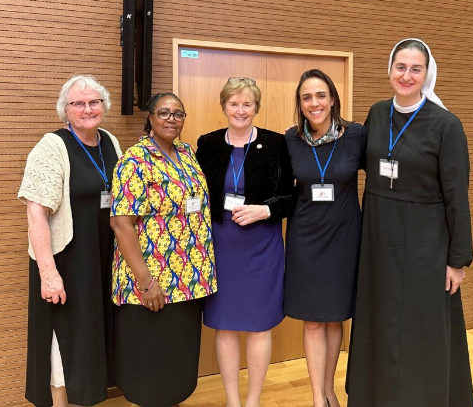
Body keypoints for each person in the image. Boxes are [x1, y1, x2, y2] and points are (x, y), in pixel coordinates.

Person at [346, 38, 473, 406]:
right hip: (378, 235)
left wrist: (457, 259)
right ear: (390, 70)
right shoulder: (377, 112)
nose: (407, 75)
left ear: (426, 73)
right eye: (400, 67)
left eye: (415, 69)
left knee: (422, 325)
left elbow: (457, 196)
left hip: (426, 240)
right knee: (380, 320)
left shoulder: (446, 125)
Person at [18, 75, 122, 407]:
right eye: (78, 103)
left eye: (94, 102)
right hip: (66, 262)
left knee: (90, 340)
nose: (88, 109)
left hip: (100, 259)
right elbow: (36, 214)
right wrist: (49, 275)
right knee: (62, 342)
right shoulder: (52, 146)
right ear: (65, 110)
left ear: (103, 105)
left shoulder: (109, 141)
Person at [109, 92, 216, 407]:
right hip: (150, 283)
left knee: (176, 367)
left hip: (187, 278)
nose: (172, 119)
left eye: (179, 113)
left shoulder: (186, 152)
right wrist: (146, 281)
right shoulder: (134, 160)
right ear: (151, 118)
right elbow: (121, 224)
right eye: (164, 113)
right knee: (150, 370)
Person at [195, 77, 294, 407]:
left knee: (258, 326)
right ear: (223, 106)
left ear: (256, 108)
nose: (240, 110)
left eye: (247, 104)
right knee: (224, 327)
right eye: (234, 103)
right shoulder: (207, 144)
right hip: (220, 248)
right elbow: (197, 193)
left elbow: (292, 197)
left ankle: (252, 401)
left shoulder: (277, 144)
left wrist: (264, 210)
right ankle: (233, 402)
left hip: (261, 248)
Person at [283, 69, 366, 407]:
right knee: (314, 322)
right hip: (306, 240)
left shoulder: (357, 135)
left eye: (320, 95)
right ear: (300, 104)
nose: (314, 103)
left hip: (345, 237)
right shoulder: (290, 139)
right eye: (307, 97)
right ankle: (319, 397)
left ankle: (330, 388)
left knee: (335, 318)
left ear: (332, 98)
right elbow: (282, 192)